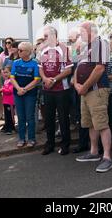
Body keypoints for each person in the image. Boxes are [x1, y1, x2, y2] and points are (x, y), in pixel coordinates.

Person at [74, 21, 112, 173]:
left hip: (97, 90)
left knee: (102, 123)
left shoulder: (101, 43)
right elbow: (78, 67)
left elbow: (99, 68)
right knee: (91, 123)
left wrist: (84, 86)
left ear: (91, 31)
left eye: (82, 31)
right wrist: (77, 83)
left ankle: (107, 157)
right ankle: (94, 152)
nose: (80, 34)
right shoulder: (86, 47)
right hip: (85, 92)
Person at [39, 26, 73, 155]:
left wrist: (54, 80)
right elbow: (40, 67)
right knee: (49, 118)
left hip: (61, 89)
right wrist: (45, 79)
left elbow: (69, 70)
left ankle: (65, 145)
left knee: (63, 118)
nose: (44, 38)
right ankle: (50, 144)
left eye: (46, 36)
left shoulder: (64, 49)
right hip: (47, 89)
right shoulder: (42, 49)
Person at [11, 42, 41, 148]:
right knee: (20, 117)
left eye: (21, 50)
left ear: (28, 52)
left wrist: (25, 89)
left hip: (30, 94)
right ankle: (21, 138)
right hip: (18, 93)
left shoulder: (35, 63)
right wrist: (19, 88)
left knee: (30, 117)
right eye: (18, 50)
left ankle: (31, 139)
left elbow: (37, 79)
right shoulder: (16, 62)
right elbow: (12, 78)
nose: (18, 52)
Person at [0, 67, 15, 134]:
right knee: (6, 115)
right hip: (5, 101)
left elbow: (10, 91)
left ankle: (11, 128)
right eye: (4, 72)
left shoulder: (12, 81)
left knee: (10, 115)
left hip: (10, 101)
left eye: (7, 72)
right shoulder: (6, 81)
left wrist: (3, 89)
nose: (5, 74)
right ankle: (7, 126)